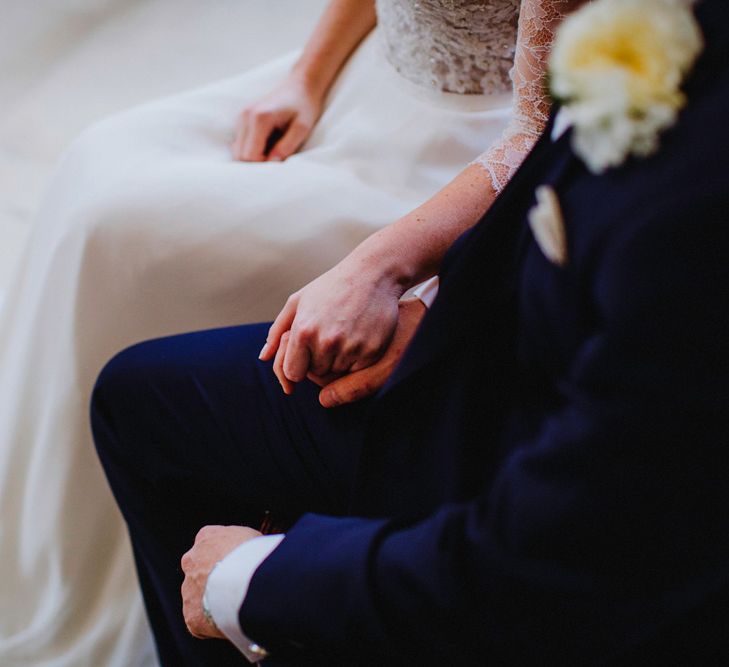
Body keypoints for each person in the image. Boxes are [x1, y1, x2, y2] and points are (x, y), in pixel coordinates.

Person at [91, 0, 729, 664]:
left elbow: (556, 561)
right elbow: (557, 172)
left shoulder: (694, 199)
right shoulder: (678, 30)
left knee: (142, 388)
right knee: (133, 362)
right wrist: (444, 309)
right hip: (496, 316)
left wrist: (251, 578)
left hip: (516, 438)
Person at [0, 1, 573, 665]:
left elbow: (541, 132)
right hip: (366, 83)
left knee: (123, 235)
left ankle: (168, 591)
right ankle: (54, 550)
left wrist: (383, 267)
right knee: (93, 169)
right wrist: (305, 75)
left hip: (468, 161)